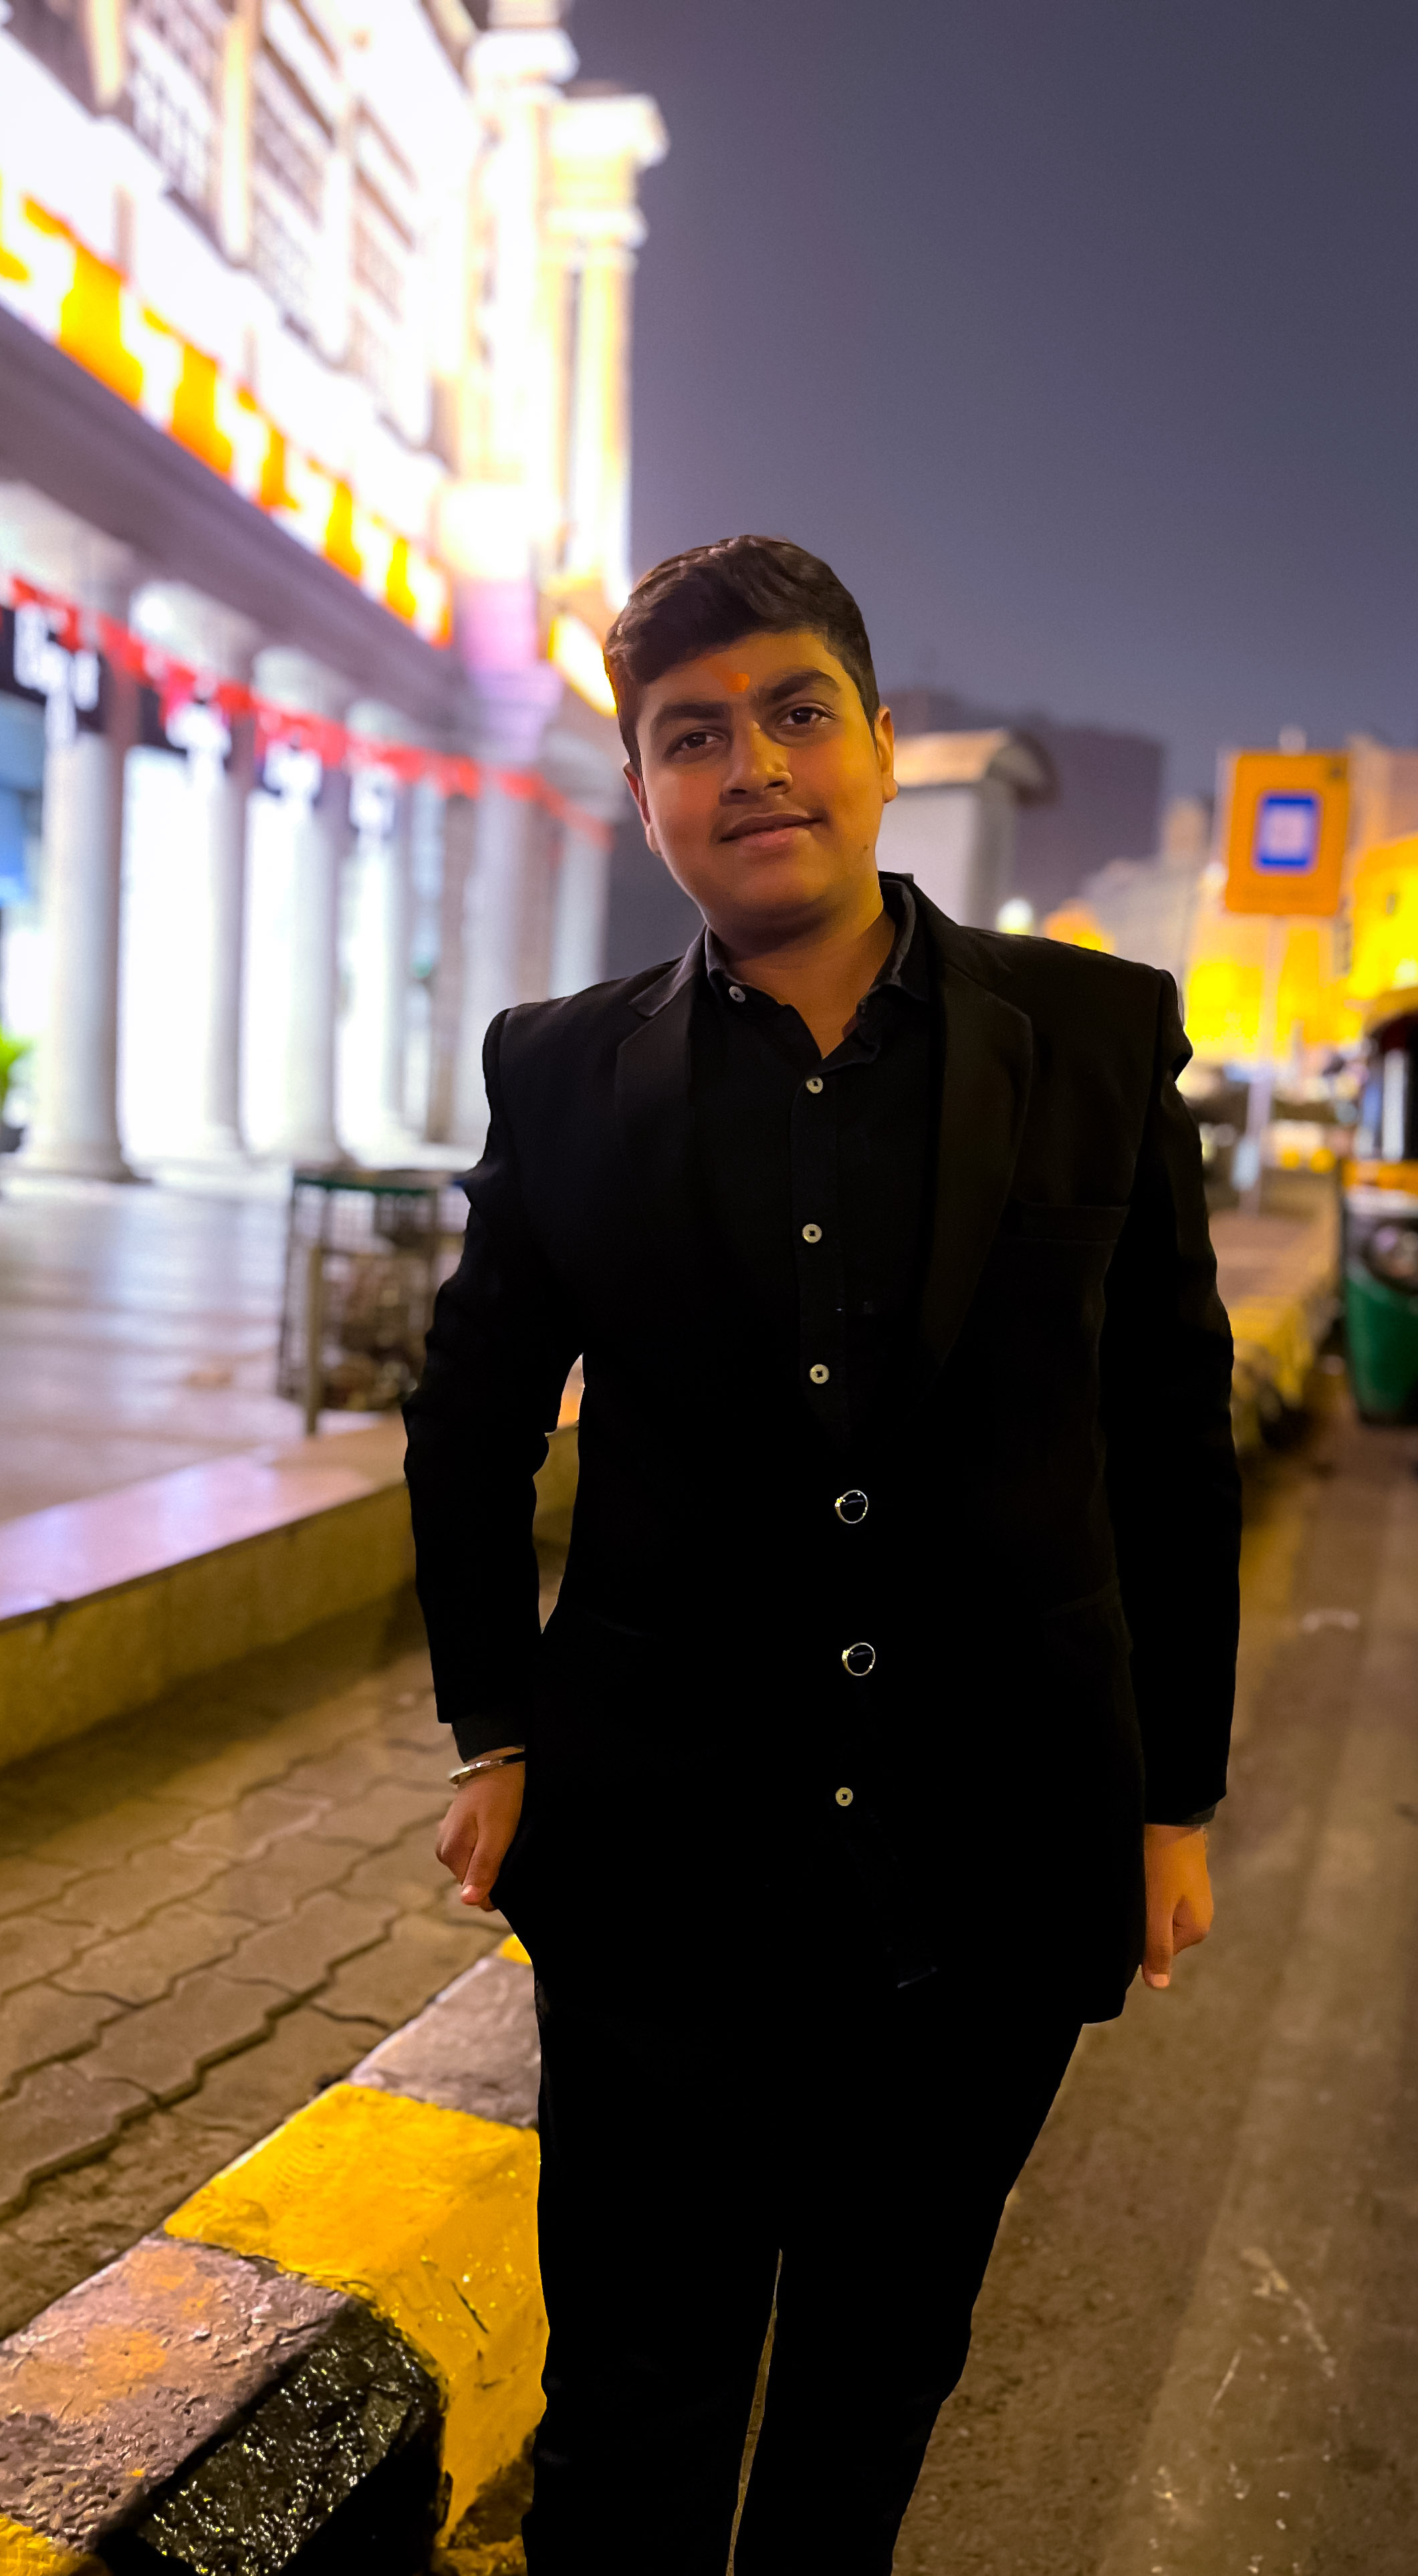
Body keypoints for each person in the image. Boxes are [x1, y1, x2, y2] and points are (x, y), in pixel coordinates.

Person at [406, 536, 1240, 2575]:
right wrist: (491, 1727)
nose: (752, 766)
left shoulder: (1092, 1034)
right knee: (633, 2397)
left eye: (793, 713)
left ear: (874, 741)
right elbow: (469, 1414)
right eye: (692, 736)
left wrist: (1173, 1796)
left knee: (875, 2380)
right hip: (660, 1859)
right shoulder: (560, 1066)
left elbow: (1164, 1431)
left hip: (997, 1842)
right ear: (642, 790)